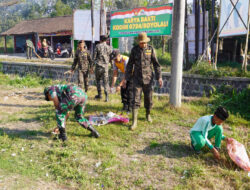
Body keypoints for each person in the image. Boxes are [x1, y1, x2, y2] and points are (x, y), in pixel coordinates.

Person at [124, 32, 163, 130]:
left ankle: (148, 114)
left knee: (148, 99)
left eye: (145, 42)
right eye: (142, 43)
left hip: (148, 78)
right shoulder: (134, 50)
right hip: (136, 78)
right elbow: (129, 65)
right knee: (135, 99)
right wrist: (126, 78)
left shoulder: (151, 49)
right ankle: (134, 122)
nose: (143, 44)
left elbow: (156, 64)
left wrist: (159, 77)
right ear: (139, 42)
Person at [93, 35, 112, 102]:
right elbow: (111, 56)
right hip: (106, 67)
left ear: (100, 40)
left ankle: (99, 95)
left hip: (98, 66)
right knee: (106, 82)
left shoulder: (97, 46)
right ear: (106, 40)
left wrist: (92, 66)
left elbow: (94, 57)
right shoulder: (109, 47)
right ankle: (107, 97)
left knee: (98, 80)